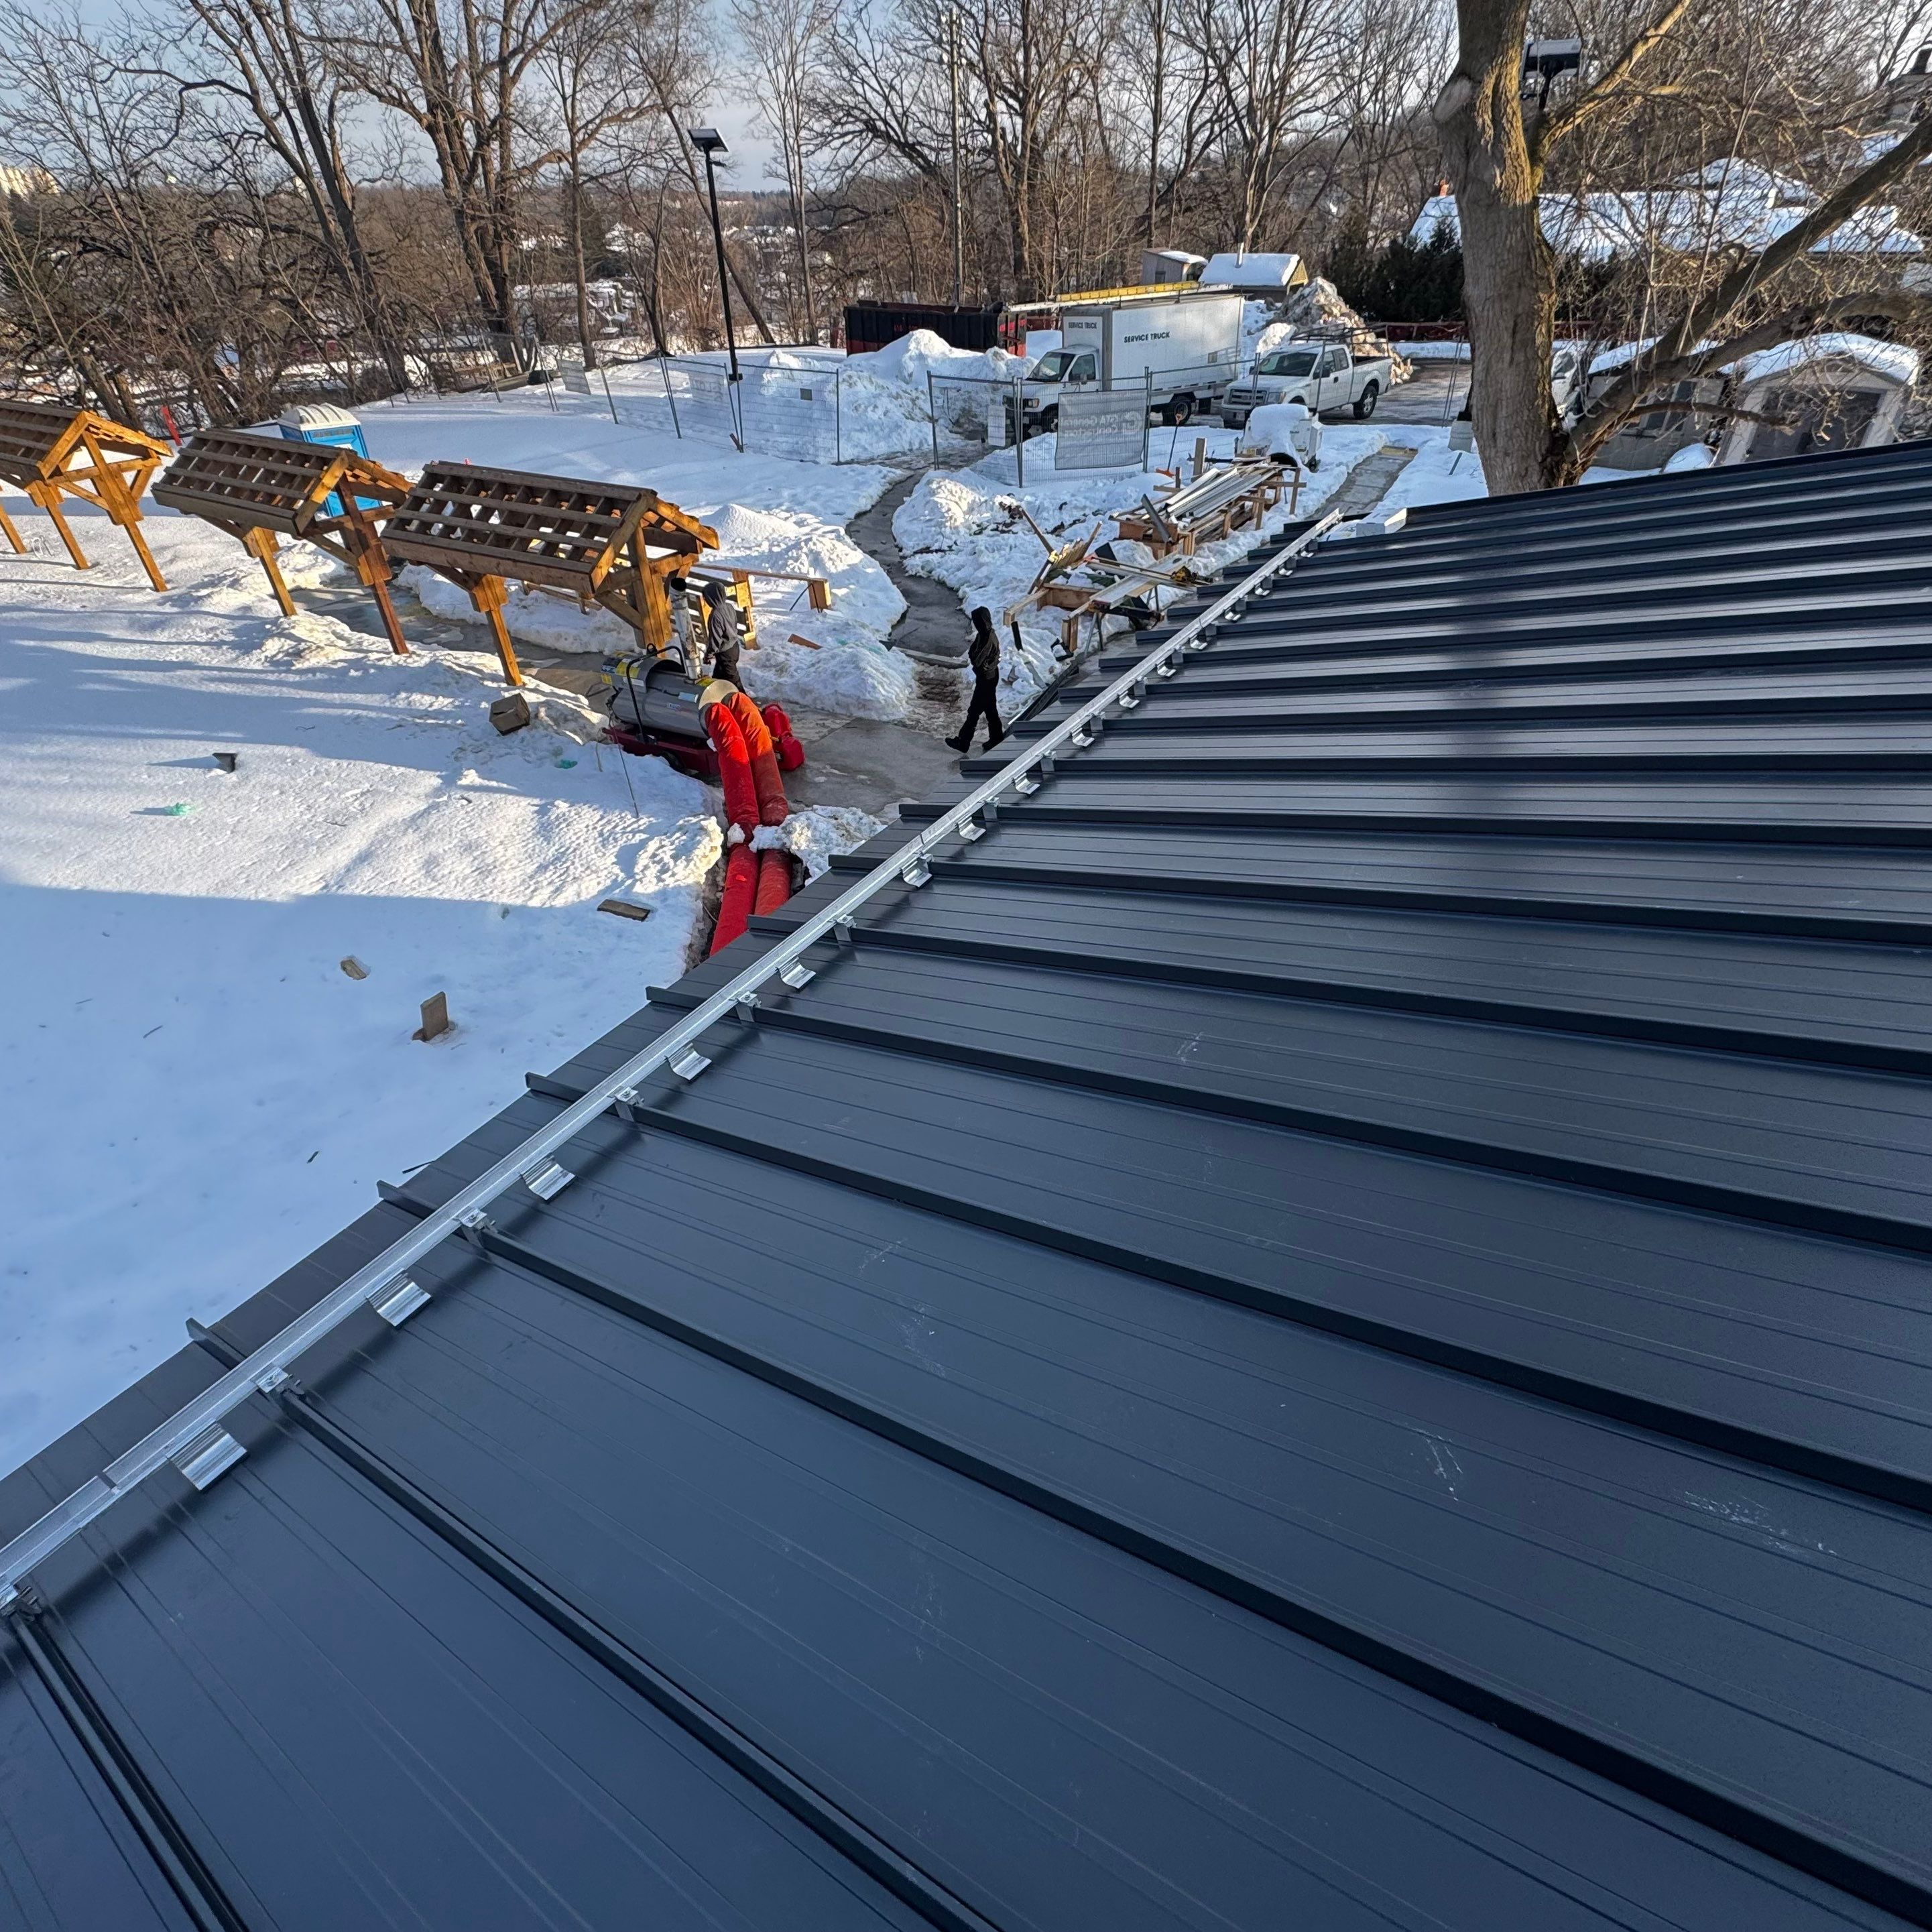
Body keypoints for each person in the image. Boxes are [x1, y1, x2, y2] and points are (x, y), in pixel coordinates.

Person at [947, 605, 1004, 753]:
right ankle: (996, 738)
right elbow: (973, 652)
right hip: (987, 677)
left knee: (975, 711)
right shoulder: (984, 634)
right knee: (990, 709)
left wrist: (974, 656)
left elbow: (976, 659)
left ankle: (964, 742)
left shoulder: (987, 638)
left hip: (987, 679)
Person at [701, 581, 745, 690]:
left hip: (726, 654)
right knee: (718, 679)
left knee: (736, 683)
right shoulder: (729, 607)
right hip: (734, 647)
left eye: (706, 598)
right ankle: (715, 697)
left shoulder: (715, 615)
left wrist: (708, 655)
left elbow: (715, 640)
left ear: (712, 597)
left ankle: (748, 705)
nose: (706, 601)